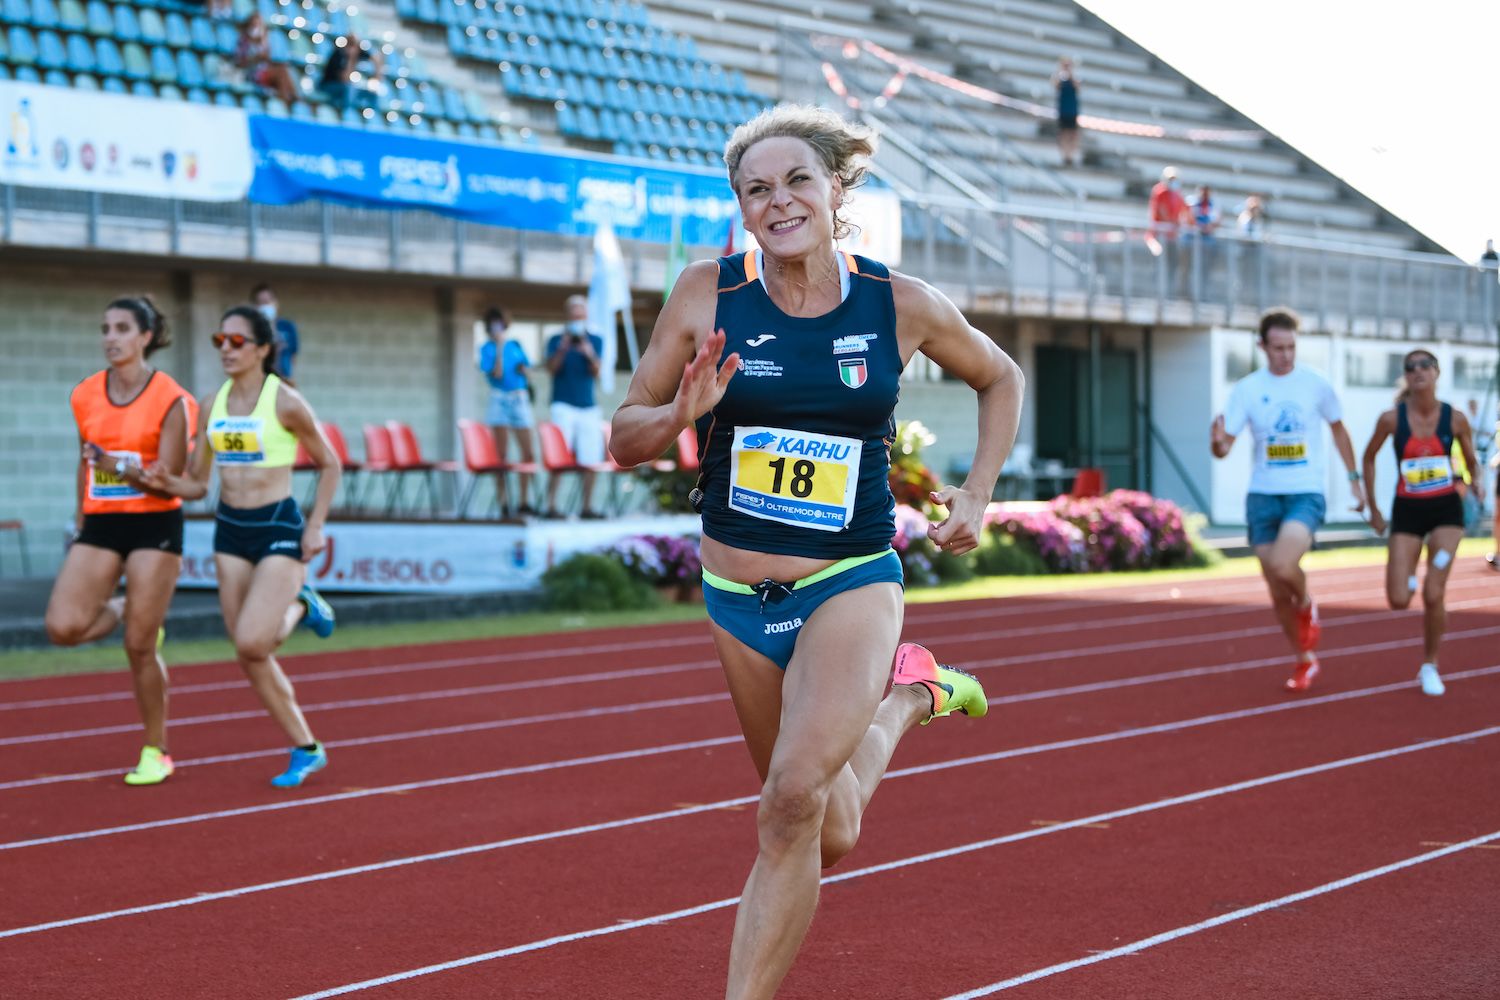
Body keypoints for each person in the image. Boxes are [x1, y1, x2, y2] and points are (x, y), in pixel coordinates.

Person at [610, 105, 1024, 1000]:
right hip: (735, 594)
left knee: (788, 803)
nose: (778, 199)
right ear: (742, 208)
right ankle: (913, 697)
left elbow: (1001, 375)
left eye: (797, 179)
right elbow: (624, 436)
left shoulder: (896, 302)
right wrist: (683, 411)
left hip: (849, 580)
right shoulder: (705, 293)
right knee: (825, 828)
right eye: (756, 189)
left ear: (836, 188)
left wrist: (979, 494)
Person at [140, 306, 341, 788]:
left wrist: (315, 526)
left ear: (263, 349)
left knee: (255, 639)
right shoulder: (211, 405)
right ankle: (306, 747)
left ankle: (300, 601)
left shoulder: (286, 402)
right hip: (230, 530)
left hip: (277, 525)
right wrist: (160, 481)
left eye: (236, 341)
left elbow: (330, 464)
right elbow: (196, 483)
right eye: (219, 340)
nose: (226, 349)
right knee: (248, 653)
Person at [44, 296, 196, 786]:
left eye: (122, 328)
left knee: (138, 646)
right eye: (105, 328)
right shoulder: (85, 393)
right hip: (103, 523)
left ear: (145, 337)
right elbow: (84, 461)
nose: (110, 337)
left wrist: (121, 467)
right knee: (63, 628)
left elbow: (170, 480)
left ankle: (157, 750)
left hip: (154, 523)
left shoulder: (171, 397)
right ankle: (134, 604)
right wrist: (81, 519)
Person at [1210, 306, 1365, 692]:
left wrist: (1354, 479)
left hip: (1304, 491)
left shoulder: (1315, 384)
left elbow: (1339, 430)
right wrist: (1217, 442)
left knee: (1284, 566)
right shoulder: (1247, 389)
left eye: (1292, 347)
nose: (1286, 355)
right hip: (1263, 495)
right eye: (1278, 348)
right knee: (1277, 589)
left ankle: (1308, 601)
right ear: (1263, 346)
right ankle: (1304, 659)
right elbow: (1224, 447)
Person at [1361, 351, 1482, 696]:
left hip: (1447, 512)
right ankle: (1412, 573)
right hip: (1408, 511)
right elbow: (1368, 457)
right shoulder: (1391, 419)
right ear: (1406, 376)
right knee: (1399, 598)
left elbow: (1471, 460)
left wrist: (1476, 481)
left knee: (1434, 592)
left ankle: (1430, 664)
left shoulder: (1455, 419)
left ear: (1437, 372)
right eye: (1410, 367)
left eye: (1424, 365)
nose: (1417, 372)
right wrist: (1373, 508)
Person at [543, 294, 607, 519]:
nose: (577, 319)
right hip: (562, 405)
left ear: (586, 316)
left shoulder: (595, 340)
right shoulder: (555, 340)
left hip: (588, 406)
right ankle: (550, 506)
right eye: (573, 315)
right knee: (558, 456)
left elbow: (597, 372)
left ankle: (586, 507)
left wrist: (588, 353)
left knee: (590, 458)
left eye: (580, 315)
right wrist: (563, 348)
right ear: (567, 317)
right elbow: (550, 369)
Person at [477, 305, 537, 514]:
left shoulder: (516, 344)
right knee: (500, 455)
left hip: (518, 399)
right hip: (499, 399)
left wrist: (524, 370)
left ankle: (524, 500)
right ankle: (503, 502)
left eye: (500, 323)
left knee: (528, 452)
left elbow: (527, 371)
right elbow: (497, 374)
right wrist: (500, 347)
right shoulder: (486, 349)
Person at [235, 13, 299, 106]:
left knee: (283, 70)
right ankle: (290, 101)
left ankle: (290, 100)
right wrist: (255, 58)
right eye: (254, 25)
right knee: (281, 73)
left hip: (264, 72)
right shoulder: (244, 41)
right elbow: (239, 62)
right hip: (251, 74)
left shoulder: (263, 41)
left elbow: (266, 60)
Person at [1146, 166, 1190, 294]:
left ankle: (1169, 291)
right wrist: (1171, 222)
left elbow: (1185, 210)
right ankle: (1157, 291)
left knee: (1173, 264)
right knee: (1159, 264)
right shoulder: (1159, 191)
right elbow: (1160, 209)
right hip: (1160, 234)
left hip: (1172, 236)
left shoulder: (1177, 194)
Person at [317, 30, 382, 111]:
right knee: (350, 88)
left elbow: (376, 58)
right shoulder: (338, 55)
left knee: (372, 93)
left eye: (355, 45)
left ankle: (372, 117)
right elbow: (345, 79)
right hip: (328, 85)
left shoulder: (358, 52)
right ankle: (347, 113)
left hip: (345, 87)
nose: (354, 48)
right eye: (350, 45)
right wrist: (351, 59)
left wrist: (377, 76)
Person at [250, 282, 299, 381]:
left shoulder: (287, 326)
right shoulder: (252, 329)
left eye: (269, 301)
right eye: (262, 302)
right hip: (260, 380)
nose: (266, 305)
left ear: (276, 302)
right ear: (255, 306)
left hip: (284, 379)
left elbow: (293, 356)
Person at [1052, 57, 1081, 167]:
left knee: (1073, 134)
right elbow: (1055, 85)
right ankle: (1065, 155)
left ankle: (1070, 155)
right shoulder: (1059, 78)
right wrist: (1060, 71)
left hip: (1073, 111)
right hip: (1063, 111)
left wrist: (1070, 73)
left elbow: (1077, 87)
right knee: (1063, 133)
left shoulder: (1074, 78)